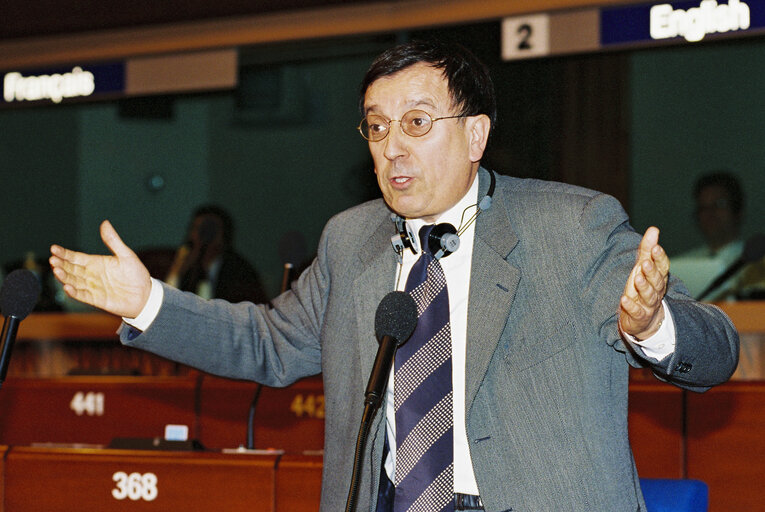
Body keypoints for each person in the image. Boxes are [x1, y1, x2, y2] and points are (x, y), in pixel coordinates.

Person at [49, 40, 738, 511]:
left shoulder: (570, 226)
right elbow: (270, 343)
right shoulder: (351, 240)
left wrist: (651, 325)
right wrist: (151, 304)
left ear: (474, 136)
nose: (392, 147)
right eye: (376, 129)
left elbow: (716, 351)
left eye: (415, 122)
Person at [163, 204, 269, 304]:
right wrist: (178, 269)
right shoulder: (186, 265)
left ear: (224, 234)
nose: (203, 236)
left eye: (210, 229)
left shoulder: (240, 270)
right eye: (197, 228)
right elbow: (169, 302)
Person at [670, 171, 746, 300]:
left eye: (719, 205)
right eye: (703, 207)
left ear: (738, 211)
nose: (710, 213)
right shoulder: (681, 266)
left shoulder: (757, 263)